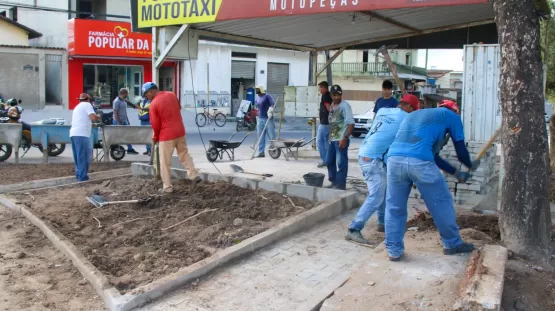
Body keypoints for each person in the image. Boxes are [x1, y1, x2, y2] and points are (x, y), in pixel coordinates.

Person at [384, 101, 480, 261]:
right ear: (454, 110)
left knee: (394, 206)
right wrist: (471, 165)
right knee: (441, 203)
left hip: (394, 160)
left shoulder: (416, 114)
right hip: (419, 163)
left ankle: (394, 250)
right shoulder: (452, 117)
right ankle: (452, 243)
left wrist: (456, 173)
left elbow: (432, 155)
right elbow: (461, 151)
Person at [345, 94, 419, 245]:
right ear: (410, 108)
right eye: (414, 110)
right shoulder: (407, 119)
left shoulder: (383, 111)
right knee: (377, 195)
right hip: (373, 160)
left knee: (383, 192)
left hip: (366, 153)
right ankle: (354, 229)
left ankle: (382, 224)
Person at [143, 82, 201, 193]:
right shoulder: (172, 95)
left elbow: (156, 125)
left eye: (146, 95)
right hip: (180, 131)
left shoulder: (153, 104)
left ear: (151, 91)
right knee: (184, 154)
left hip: (166, 136)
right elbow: (177, 109)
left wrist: (155, 138)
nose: (147, 97)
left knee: (165, 162)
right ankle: (194, 175)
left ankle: (167, 187)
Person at [326, 85, 355, 190]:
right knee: (329, 161)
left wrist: (345, 138)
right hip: (332, 139)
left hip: (341, 140)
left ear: (341, 94)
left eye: (338, 95)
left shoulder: (345, 106)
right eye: (334, 95)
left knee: (341, 163)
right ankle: (333, 181)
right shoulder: (332, 105)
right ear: (331, 95)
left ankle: (341, 185)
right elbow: (333, 123)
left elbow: (351, 124)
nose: (336, 97)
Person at [70, 93, 100, 182]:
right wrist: (99, 116)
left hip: (74, 134)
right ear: (88, 99)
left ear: (79, 100)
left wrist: (92, 124)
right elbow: (93, 117)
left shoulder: (77, 107)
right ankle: (83, 178)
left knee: (78, 157)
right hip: (82, 134)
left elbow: (85, 120)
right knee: (84, 156)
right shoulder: (87, 105)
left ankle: (79, 175)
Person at [112, 88, 139, 155]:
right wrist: (118, 123)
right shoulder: (116, 101)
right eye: (127, 93)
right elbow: (115, 112)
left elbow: (130, 104)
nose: (127, 94)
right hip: (118, 121)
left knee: (128, 135)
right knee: (118, 136)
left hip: (124, 121)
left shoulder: (124, 100)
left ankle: (130, 149)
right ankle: (117, 149)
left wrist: (138, 107)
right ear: (123, 93)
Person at [254, 85, 276, 158]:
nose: (256, 90)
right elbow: (257, 108)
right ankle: (261, 153)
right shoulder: (257, 98)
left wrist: (270, 111)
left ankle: (274, 151)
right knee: (260, 136)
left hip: (268, 119)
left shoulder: (267, 96)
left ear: (261, 89)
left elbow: (273, 104)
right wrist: (257, 117)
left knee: (272, 136)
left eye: (257, 89)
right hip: (260, 119)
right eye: (255, 89)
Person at [317, 81, 332, 168]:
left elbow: (328, 108)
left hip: (325, 123)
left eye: (320, 88)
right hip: (328, 122)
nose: (319, 90)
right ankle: (328, 160)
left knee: (319, 141)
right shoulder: (328, 95)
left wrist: (332, 114)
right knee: (327, 142)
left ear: (324, 88)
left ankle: (325, 160)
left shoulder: (325, 95)